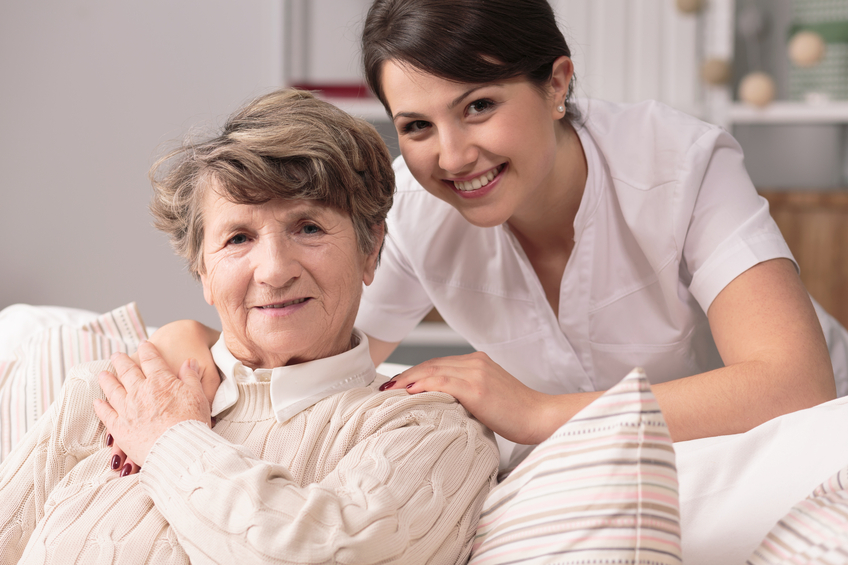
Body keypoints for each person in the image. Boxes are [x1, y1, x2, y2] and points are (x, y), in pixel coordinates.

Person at [143, 0, 843, 472]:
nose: (450, 157)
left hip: (790, 444)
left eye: (478, 107)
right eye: (416, 125)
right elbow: (308, 347)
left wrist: (537, 413)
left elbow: (792, 383)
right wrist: (189, 342)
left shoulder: (680, 163)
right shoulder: (415, 206)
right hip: (621, 473)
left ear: (556, 83)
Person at [0, 88, 499, 564]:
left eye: (308, 227)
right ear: (202, 270)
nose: (275, 269)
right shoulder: (111, 395)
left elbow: (337, 555)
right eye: (238, 237)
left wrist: (169, 441)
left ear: (371, 249)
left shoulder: (427, 429)